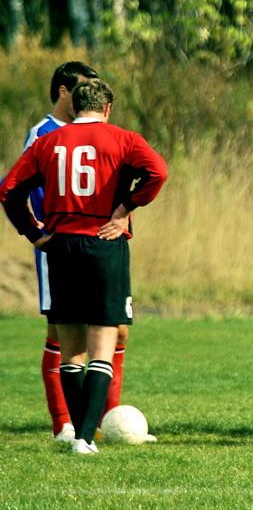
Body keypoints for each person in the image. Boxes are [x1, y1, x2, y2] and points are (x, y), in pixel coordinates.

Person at [0, 80, 168, 454]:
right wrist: (124, 210)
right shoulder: (124, 139)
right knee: (103, 343)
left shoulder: (47, 143)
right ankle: (86, 438)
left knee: (71, 349)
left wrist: (34, 233)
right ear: (107, 108)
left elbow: (8, 190)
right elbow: (158, 172)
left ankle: (78, 433)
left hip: (60, 247)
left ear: (74, 106)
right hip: (103, 242)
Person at [19, 61, 126, 443]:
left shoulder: (98, 133)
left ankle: (107, 420)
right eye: (82, 88)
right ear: (65, 92)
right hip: (61, 244)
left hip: (101, 244)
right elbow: (23, 186)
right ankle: (64, 424)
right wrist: (40, 232)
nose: (87, 95)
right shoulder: (43, 134)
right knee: (63, 335)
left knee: (118, 331)